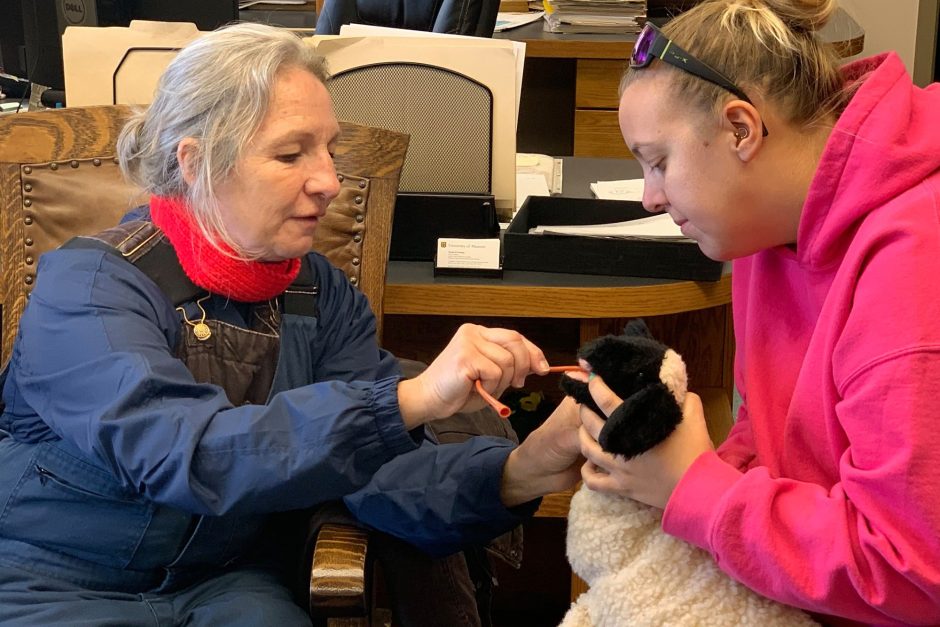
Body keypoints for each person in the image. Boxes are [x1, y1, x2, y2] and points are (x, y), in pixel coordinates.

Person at [0, 23, 583, 626]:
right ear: (196, 163)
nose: (329, 180)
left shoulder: (320, 296)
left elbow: (380, 475)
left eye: (329, 149)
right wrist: (406, 400)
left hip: (222, 584)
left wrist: (520, 471)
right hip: (47, 580)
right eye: (290, 153)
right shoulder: (88, 286)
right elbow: (184, 453)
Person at [573, 0, 940, 625]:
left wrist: (695, 488)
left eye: (659, 162)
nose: (649, 197)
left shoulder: (912, 269)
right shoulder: (763, 226)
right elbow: (773, 441)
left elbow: (910, 572)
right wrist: (688, 470)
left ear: (742, 128)